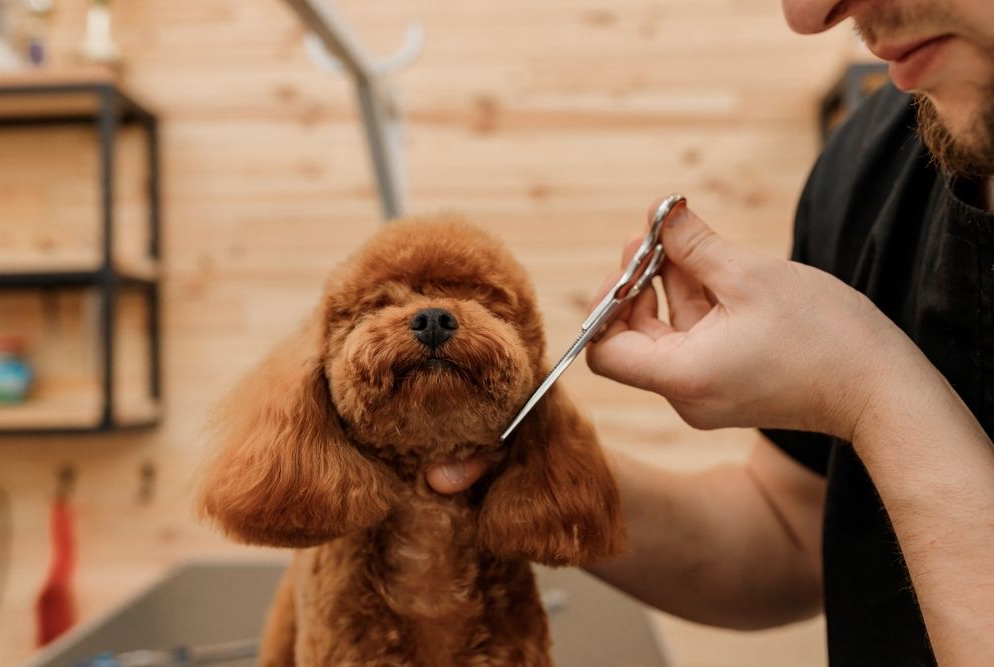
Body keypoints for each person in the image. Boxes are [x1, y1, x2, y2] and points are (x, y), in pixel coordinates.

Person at [426, 1, 994, 665]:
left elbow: (868, 390)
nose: (809, 14)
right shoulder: (875, 158)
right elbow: (791, 529)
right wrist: (533, 467)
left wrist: (874, 388)